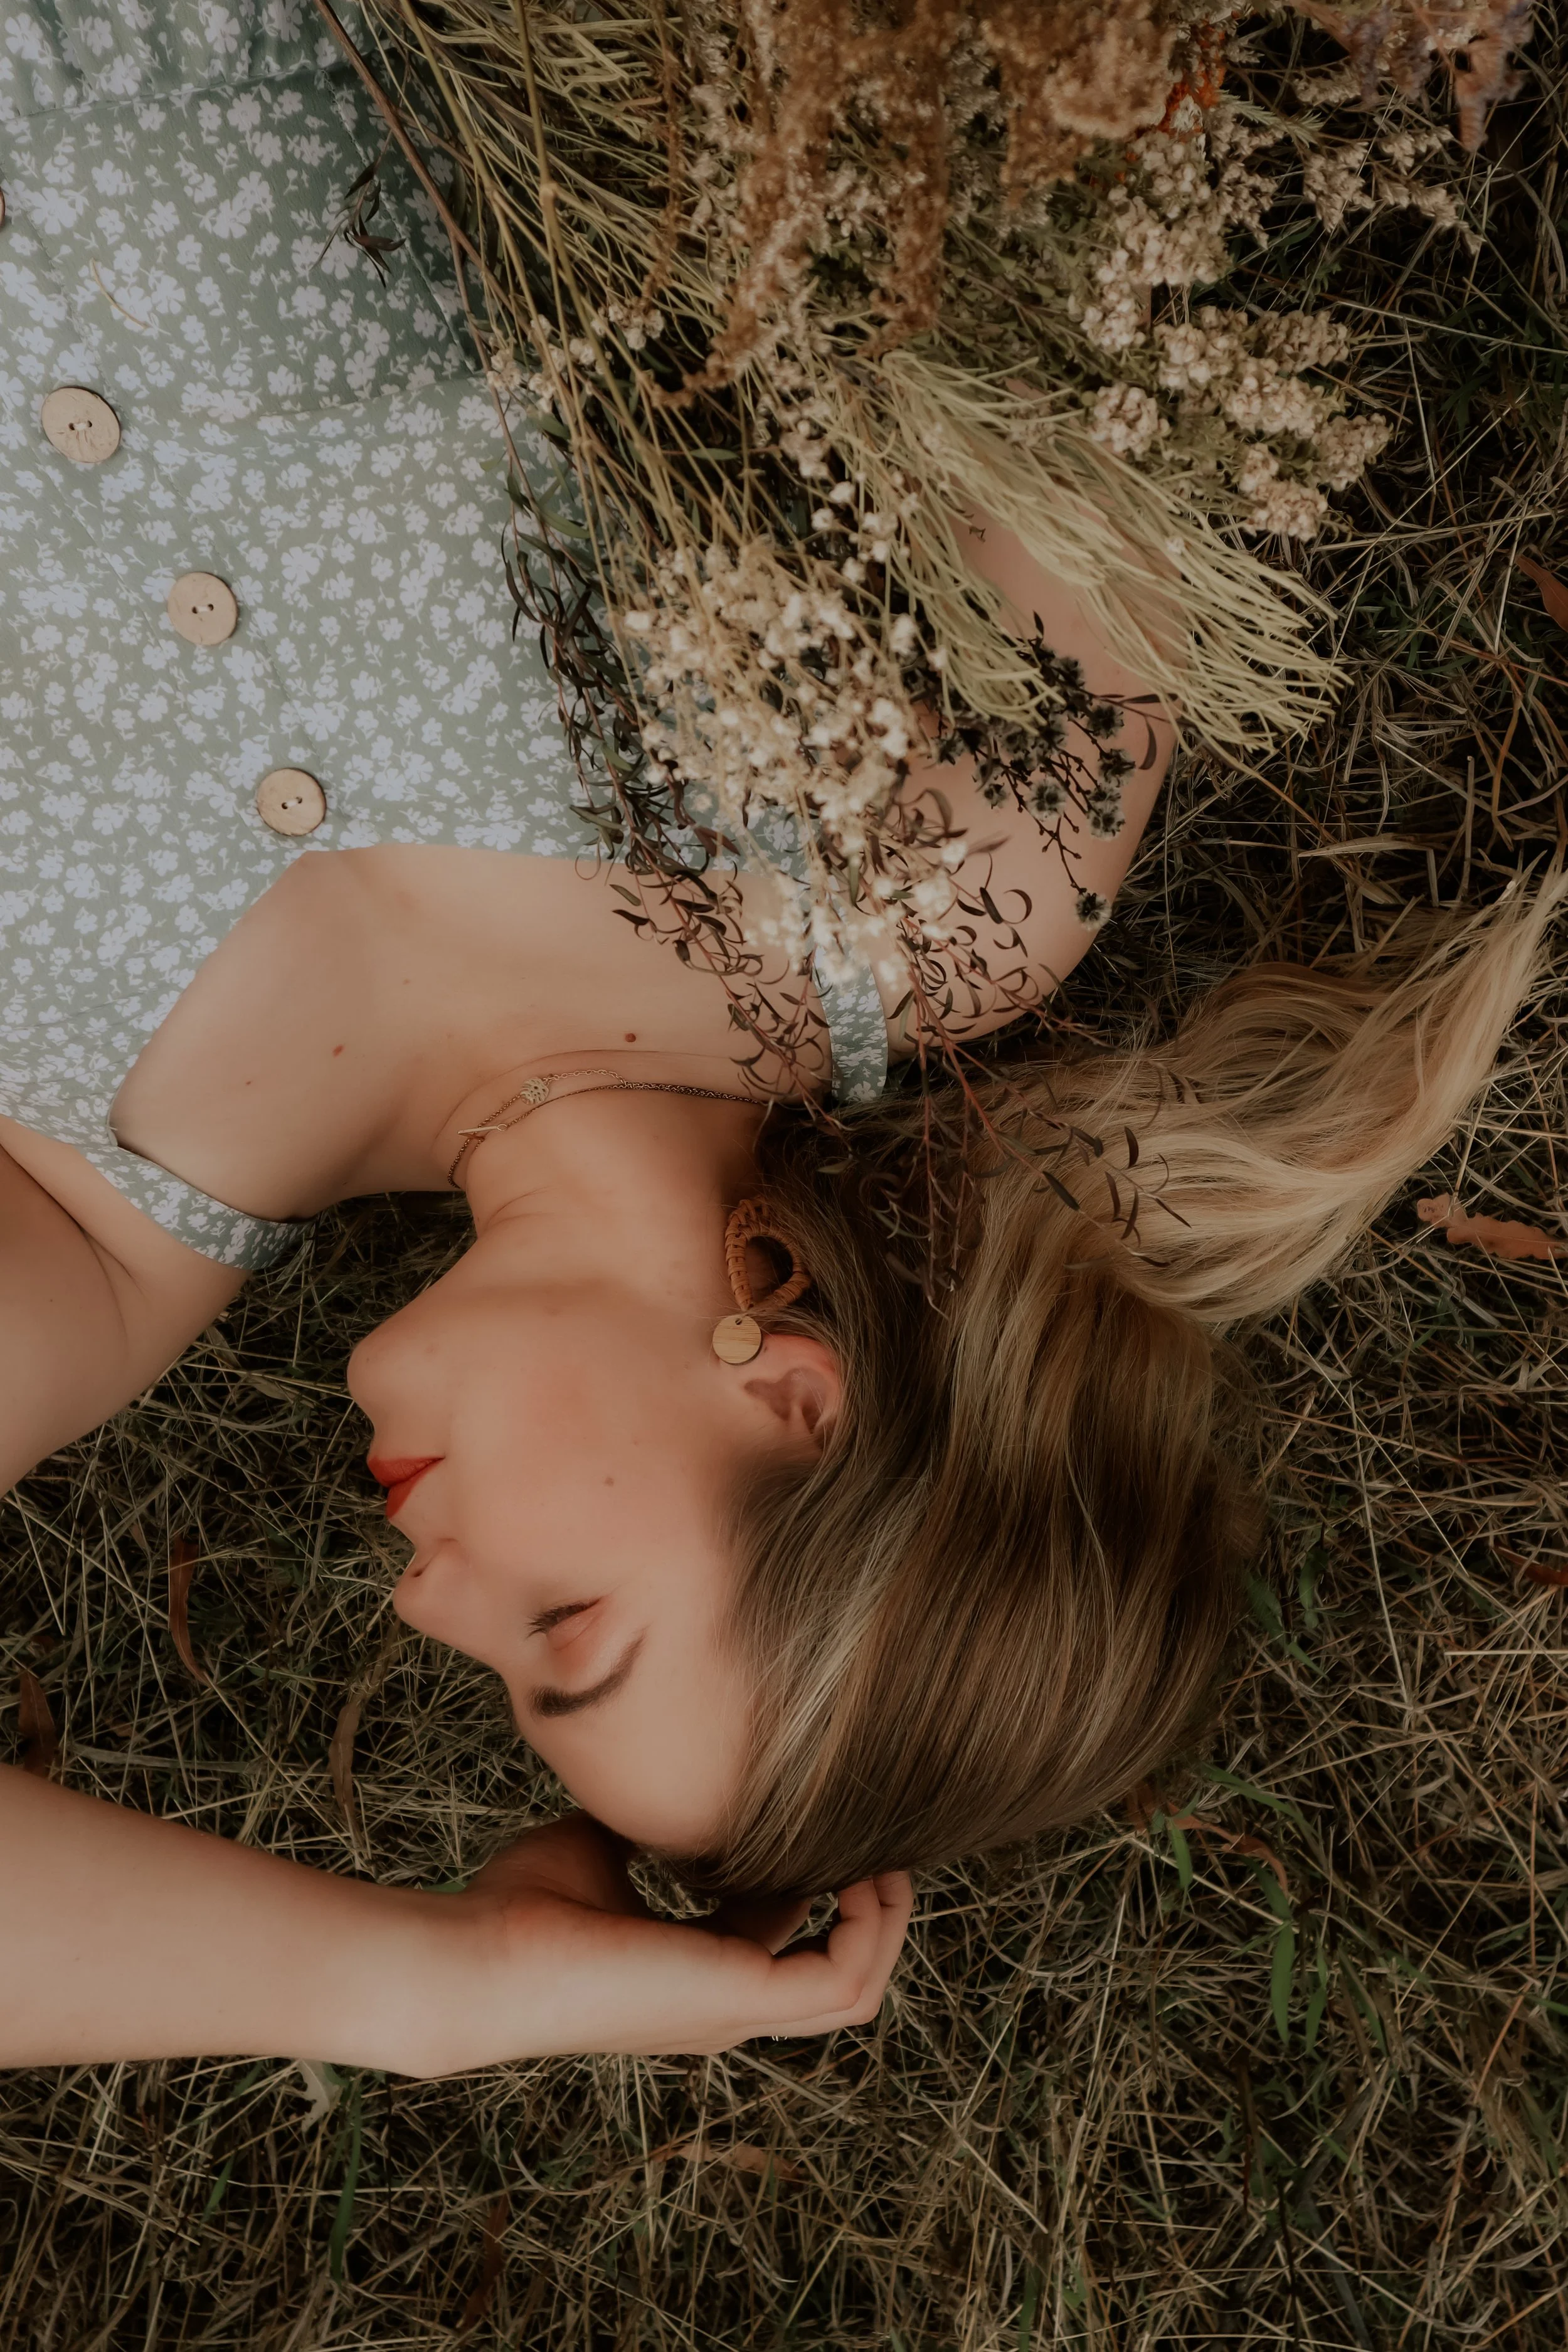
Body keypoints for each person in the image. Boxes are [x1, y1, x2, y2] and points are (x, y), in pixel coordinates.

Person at [0, 1, 1554, 2075]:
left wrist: (419, 1995)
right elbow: (1067, 138)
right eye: (568, 1634)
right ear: (798, 1399)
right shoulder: (944, 874)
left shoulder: (87, 1238)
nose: (423, 1606)